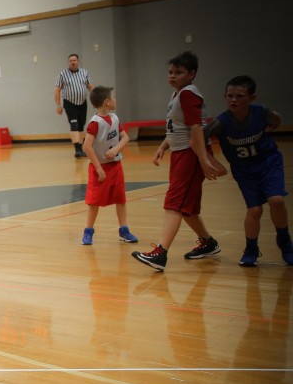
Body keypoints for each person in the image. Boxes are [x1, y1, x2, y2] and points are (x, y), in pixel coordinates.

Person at [133, 51, 227, 271]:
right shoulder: (178, 94)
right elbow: (178, 128)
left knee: (174, 203)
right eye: (170, 72)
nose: (172, 76)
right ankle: (208, 242)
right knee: (188, 208)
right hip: (181, 152)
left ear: (192, 74)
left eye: (179, 72)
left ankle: (160, 253)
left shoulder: (188, 95)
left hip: (190, 154)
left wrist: (203, 159)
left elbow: (196, 129)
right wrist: (163, 146)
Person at [203, 75, 292, 267]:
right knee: (255, 209)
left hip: (268, 162)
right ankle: (251, 247)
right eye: (230, 96)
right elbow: (200, 140)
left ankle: (285, 241)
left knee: (276, 200)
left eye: (240, 96)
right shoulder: (221, 122)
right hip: (244, 169)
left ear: (252, 98)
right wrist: (210, 160)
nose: (233, 100)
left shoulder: (261, 112)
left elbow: (276, 119)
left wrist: (271, 127)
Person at [79, 86, 138, 245]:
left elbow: (124, 138)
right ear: (107, 101)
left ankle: (124, 230)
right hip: (100, 167)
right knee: (94, 202)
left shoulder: (115, 118)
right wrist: (98, 168)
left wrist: (116, 149)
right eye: (113, 97)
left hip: (116, 165)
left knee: (121, 199)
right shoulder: (95, 123)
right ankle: (88, 232)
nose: (115, 100)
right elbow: (86, 147)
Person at [54, 54, 94, 158]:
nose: (72, 62)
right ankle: (77, 150)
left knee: (81, 125)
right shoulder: (63, 74)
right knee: (74, 124)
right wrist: (58, 105)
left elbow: (90, 87)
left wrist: (96, 101)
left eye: (74, 60)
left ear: (78, 61)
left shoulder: (84, 73)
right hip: (69, 103)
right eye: (70, 60)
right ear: (68, 62)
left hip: (82, 103)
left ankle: (80, 148)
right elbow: (57, 90)